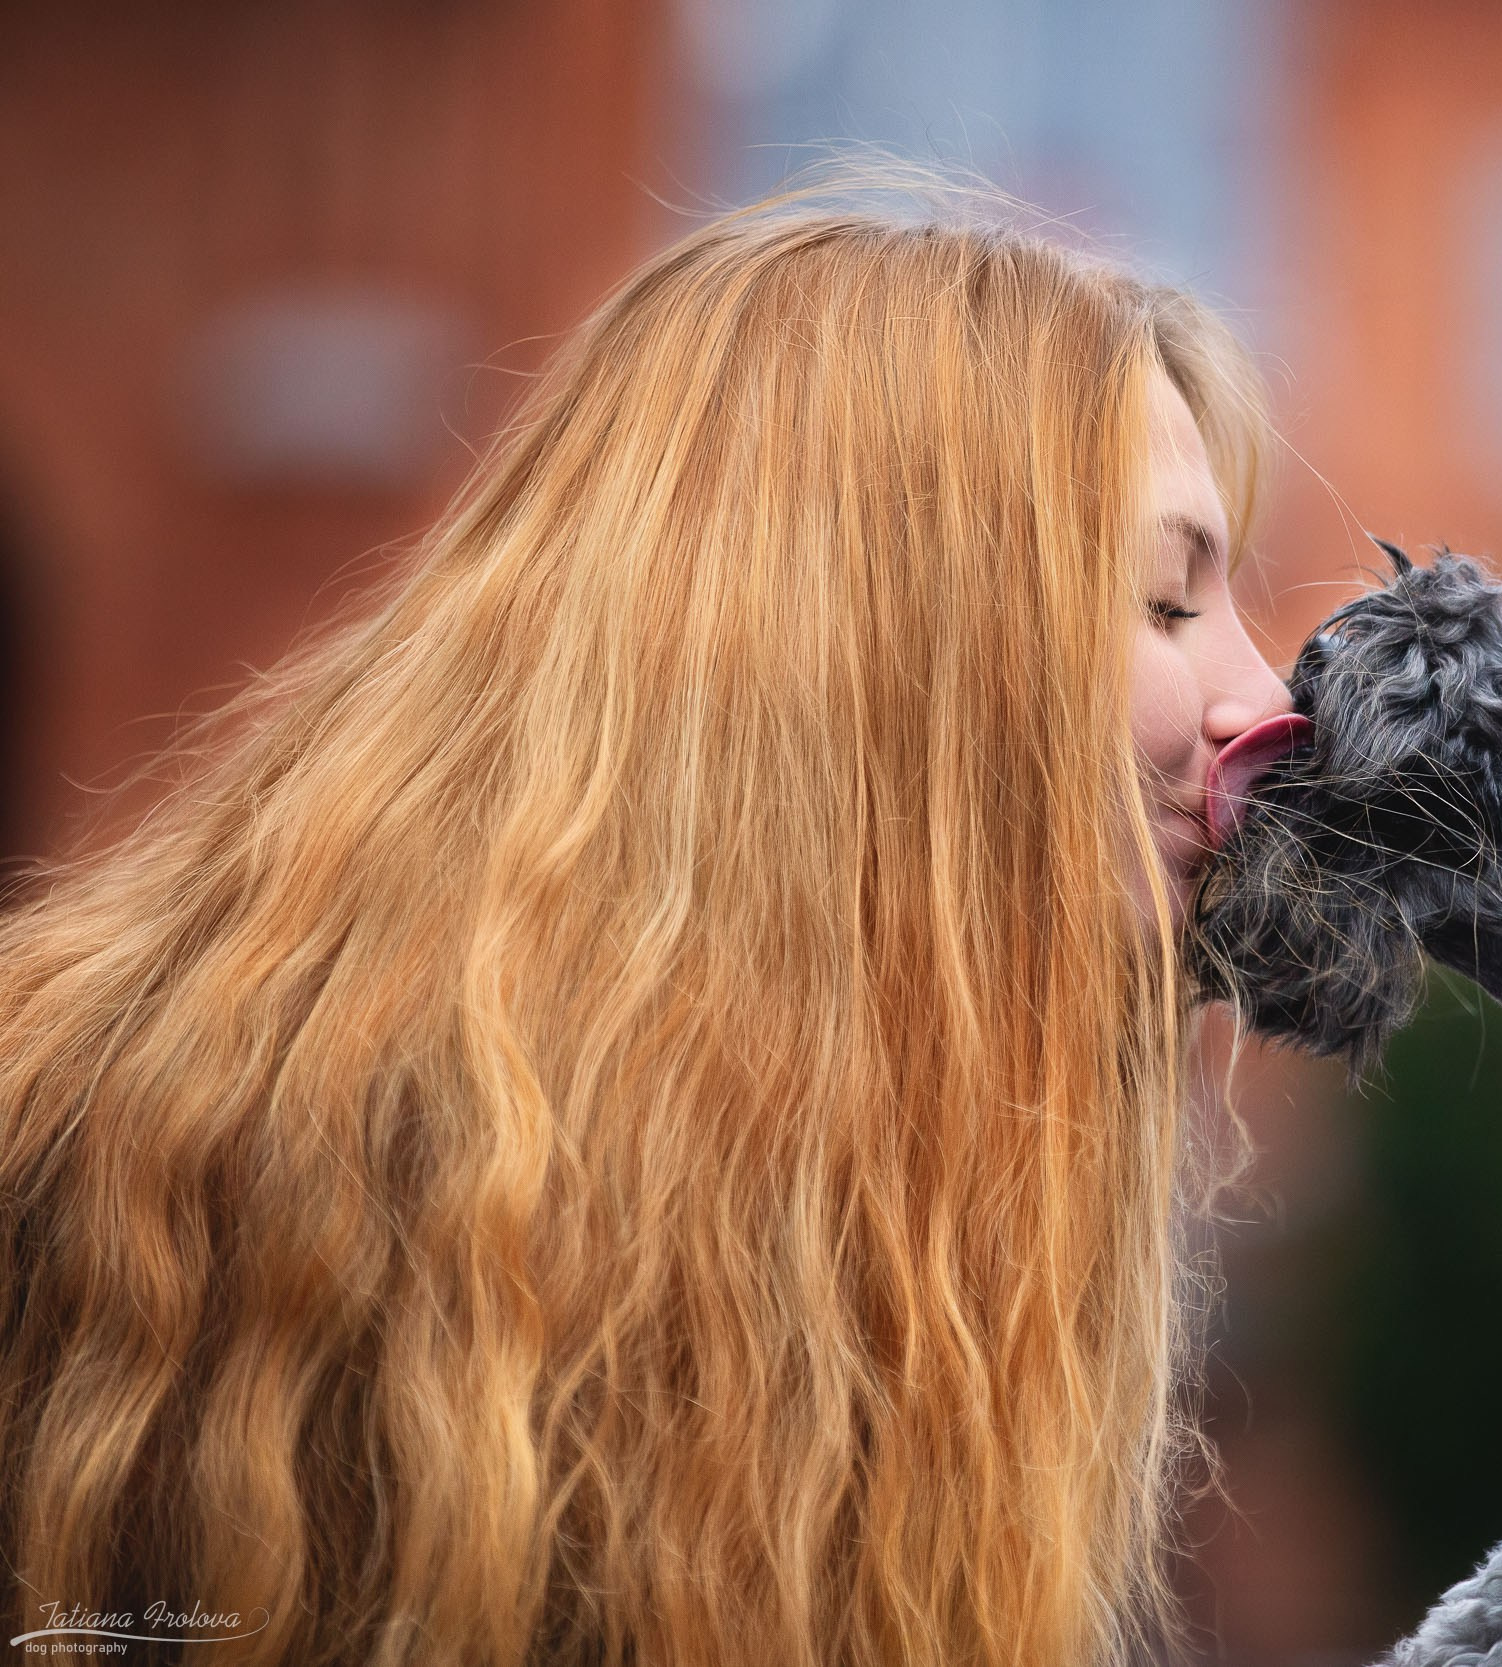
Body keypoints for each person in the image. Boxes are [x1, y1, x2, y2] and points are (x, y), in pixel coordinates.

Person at [0, 169, 1295, 1667]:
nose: (1266, 699)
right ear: (870, 644)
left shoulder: (893, 1236)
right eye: (1165, 602)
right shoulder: (129, 1176)